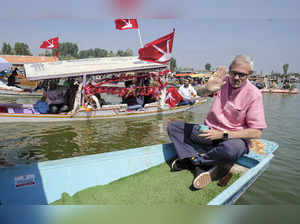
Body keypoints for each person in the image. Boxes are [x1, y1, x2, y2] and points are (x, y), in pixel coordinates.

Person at [167, 55, 267, 190]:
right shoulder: (222, 82)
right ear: (229, 71)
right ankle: (200, 165)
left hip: (232, 138)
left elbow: (256, 132)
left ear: (249, 74)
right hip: (209, 131)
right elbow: (196, 94)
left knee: (232, 149)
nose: (236, 78)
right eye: (234, 73)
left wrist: (223, 134)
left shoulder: (254, 94)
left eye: (242, 75)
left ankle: (196, 161)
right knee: (174, 127)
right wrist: (206, 89)